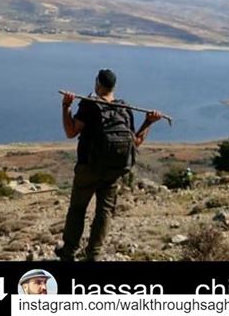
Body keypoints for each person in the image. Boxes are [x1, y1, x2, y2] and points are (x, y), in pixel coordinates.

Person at [55, 69, 162, 261]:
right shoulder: (124, 108)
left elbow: (71, 132)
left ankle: (69, 251)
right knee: (104, 212)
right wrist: (148, 122)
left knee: (78, 209)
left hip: (88, 168)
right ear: (114, 87)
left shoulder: (89, 105)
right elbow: (135, 142)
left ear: (97, 84)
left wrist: (66, 107)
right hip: (114, 171)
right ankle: (94, 255)